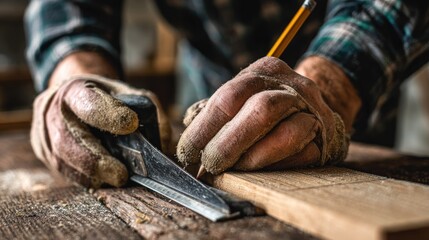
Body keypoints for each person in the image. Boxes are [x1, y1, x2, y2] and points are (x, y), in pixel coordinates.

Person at [24, 0, 429, 188]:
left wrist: (328, 89)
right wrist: (74, 72)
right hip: (209, 78)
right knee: (205, 156)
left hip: (340, 76)